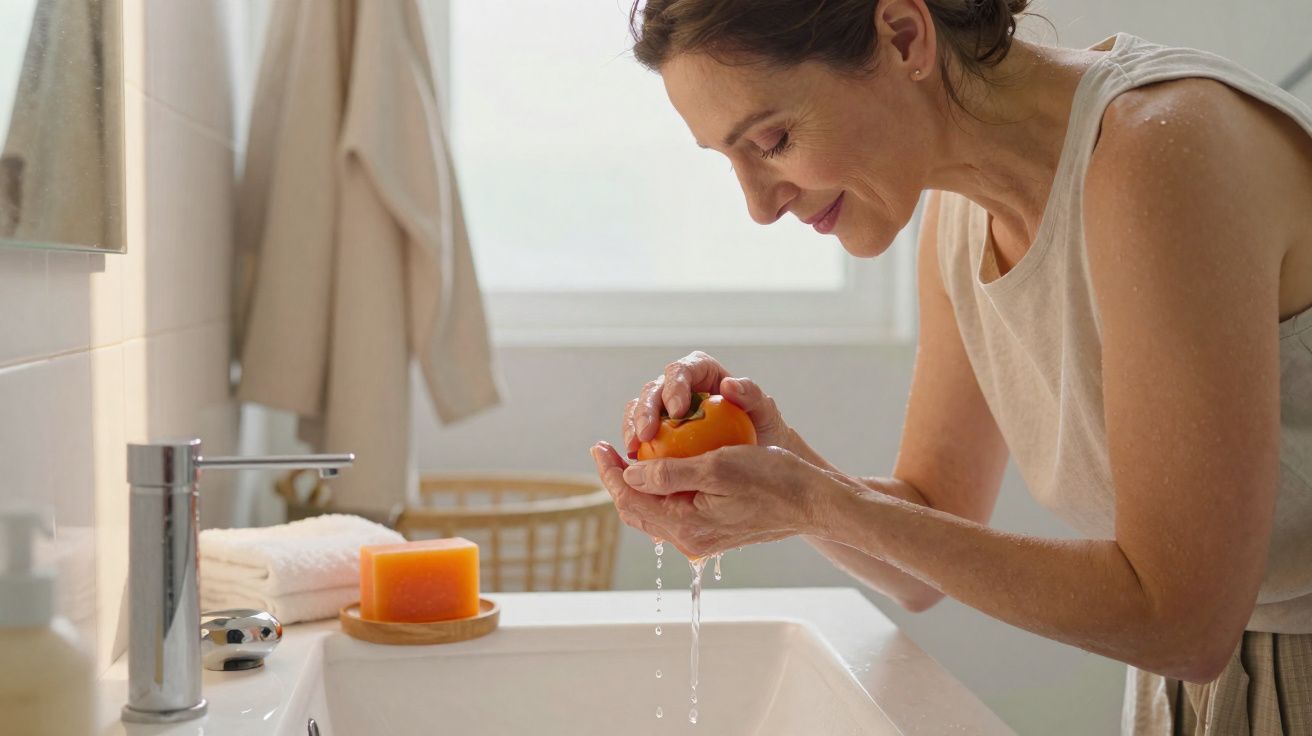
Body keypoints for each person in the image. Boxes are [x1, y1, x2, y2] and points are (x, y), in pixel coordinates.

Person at [587, 1, 1312, 733]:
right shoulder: (961, 221)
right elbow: (921, 537)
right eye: (731, 159)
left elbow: (1182, 621)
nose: (758, 206)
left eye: (771, 140)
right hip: (1186, 695)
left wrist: (813, 501)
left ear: (904, 36)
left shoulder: (1161, 152)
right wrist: (772, 467)